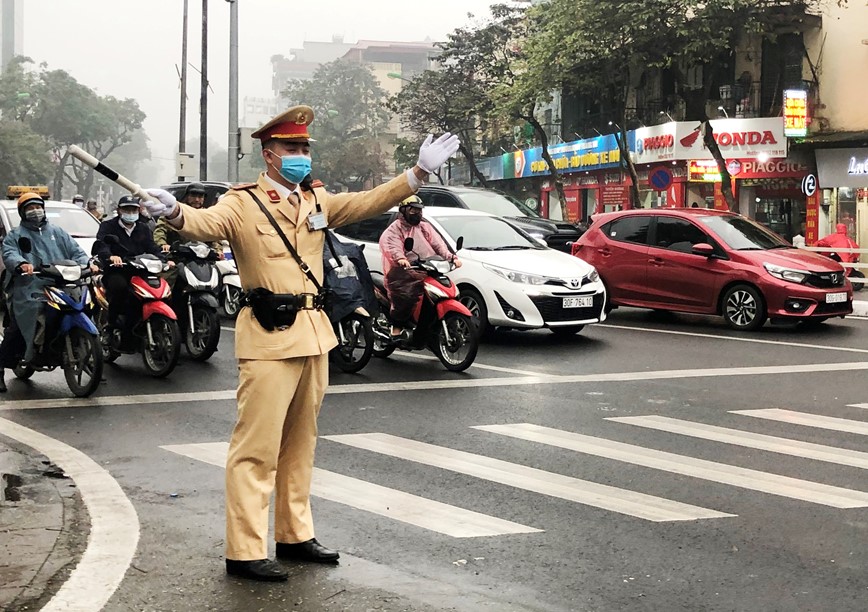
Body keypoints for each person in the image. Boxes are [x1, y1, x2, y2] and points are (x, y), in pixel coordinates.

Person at [140, 105, 459, 582]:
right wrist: (175, 212)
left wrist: (417, 173)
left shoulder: (317, 200)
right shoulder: (243, 202)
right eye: (292, 149)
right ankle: (245, 550)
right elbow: (206, 224)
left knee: (300, 444)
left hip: (313, 332)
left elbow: (370, 201)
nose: (302, 156)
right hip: (268, 337)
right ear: (269, 156)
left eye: (306, 148)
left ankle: (294, 535)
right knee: (256, 448)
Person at [0, 192, 94, 392]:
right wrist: (22, 263)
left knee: (85, 305)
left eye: (38, 206)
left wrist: (89, 263)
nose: (35, 211)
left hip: (61, 283)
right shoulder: (16, 235)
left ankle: (90, 360)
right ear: (23, 212)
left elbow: (76, 251)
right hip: (30, 285)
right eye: (30, 208)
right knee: (20, 325)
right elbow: (9, 253)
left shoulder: (58, 232)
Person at [379, 194, 461, 338]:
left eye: (419, 210)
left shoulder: (424, 227)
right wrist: (401, 259)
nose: (417, 214)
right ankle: (397, 326)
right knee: (406, 296)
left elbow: (438, 244)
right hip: (401, 271)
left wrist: (451, 257)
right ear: (403, 210)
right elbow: (393, 247)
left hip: (426, 267)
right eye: (413, 210)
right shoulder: (394, 230)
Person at [94, 195, 164, 330]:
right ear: (120, 210)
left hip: (139, 270)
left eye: (134, 210)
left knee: (156, 288)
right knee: (119, 287)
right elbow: (102, 245)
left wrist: (164, 259)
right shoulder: (108, 226)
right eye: (127, 209)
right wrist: (111, 257)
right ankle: (112, 324)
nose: (131, 213)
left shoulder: (143, 228)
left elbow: (152, 247)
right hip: (117, 270)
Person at [154, 182, 223, 258]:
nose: (197, 200)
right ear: (187, 196)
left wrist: (218, 251)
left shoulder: (208, 215)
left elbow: (215, 236)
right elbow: (160, 229)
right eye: (193, 196)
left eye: (200, 196)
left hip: (203, 257)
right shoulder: (177, 212)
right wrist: (163, 244)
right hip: (178, 255)